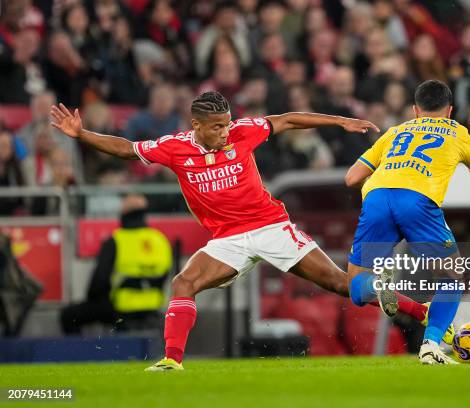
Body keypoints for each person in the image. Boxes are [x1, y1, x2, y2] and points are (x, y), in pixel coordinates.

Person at [49, 91, 429, 371]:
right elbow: (126, 148)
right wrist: (82, 135)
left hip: (271, 226)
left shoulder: (243, 131)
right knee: (184, 283)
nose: (226, 132)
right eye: (217, 127)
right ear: (196, 126)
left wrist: (340, 121)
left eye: (228, 123)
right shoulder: (174, 147)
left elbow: (287, 119)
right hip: (226, 240)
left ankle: (419, 310)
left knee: (341, 284)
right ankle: (171, 361)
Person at [344, 80, 470, 364]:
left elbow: (351, 178)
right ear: (450, 110)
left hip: (377, 196)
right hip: (418, 199)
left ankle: (379, 287)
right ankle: (431, 345)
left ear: (415, 110)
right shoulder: (457, 132)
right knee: (452, 277)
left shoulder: (396, 131)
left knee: (356, 283)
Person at [60, 194, 172, 334]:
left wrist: (94, 301)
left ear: (124, 214)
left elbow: (99, 281)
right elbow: (167, 275)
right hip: (153, 308)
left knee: (69, 315)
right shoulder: (160, 240)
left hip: (120, 309)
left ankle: (82, 354)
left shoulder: (116, 241)